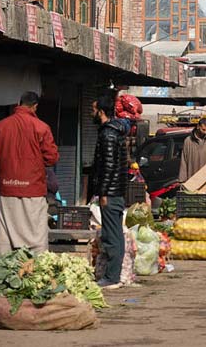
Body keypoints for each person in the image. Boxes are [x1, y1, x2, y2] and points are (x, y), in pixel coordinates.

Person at [0, 91, 59, 255]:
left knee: (7, 234)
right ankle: (36, 270)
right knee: (36, 234)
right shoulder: (41, 127)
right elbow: (52, 158)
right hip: (33, 188)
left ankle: (6, 270)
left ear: (18, 104)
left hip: (7, 189)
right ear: (35, 107)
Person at [92, 93, 127, 290]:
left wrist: (103, 193)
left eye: (93, 110)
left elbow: (108, 166)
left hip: (111, 193)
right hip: (117, 191)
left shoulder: (108, 134)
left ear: (101, 112)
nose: (92, 113)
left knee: (111, 236)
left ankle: (112, 277)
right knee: (116, 234)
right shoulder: (117, 131)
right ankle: (115, 274)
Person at [178, 117, 206, 182]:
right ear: (198, 127)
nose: (205, 132)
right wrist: (182, 180)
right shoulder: (188, 141)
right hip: (194, 178)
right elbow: (184, 161)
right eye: (203, 130)